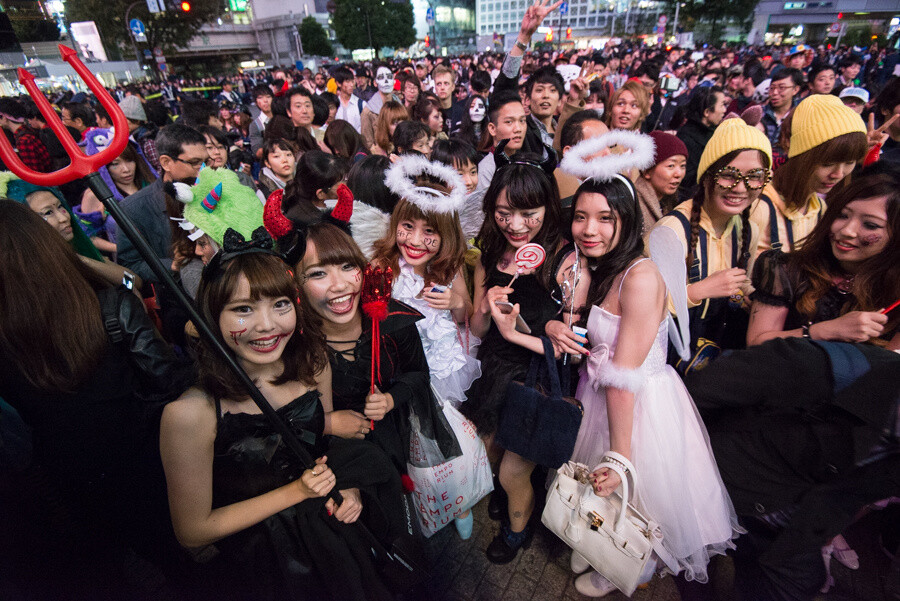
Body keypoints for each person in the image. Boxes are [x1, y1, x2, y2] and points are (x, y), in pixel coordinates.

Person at [159, 247, 405, 601]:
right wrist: (297, 492)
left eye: (280, 304)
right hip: (269, 560)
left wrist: (348, 490)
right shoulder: (190, 415)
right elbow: (194, 531)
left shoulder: (313, 363)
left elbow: (322, 447)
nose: (266, 325)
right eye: (243, 308)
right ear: (212, 318)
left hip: (332, 533)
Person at [557, 167, 740, 598]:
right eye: (580, 216)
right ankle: (593, 535)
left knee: (637, 498)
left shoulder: (639, 278)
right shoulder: (605, 266)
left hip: (637, 405)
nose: (589, 228)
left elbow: (623, 378)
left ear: (627, 219)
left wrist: (621, 458)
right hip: (601, 393)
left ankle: (625, 566)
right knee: (598, 487)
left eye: (605, 218)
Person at [0, 199, 194, 599]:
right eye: (46, 217)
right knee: (183, 565)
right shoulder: (111, 308)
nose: (59, 219)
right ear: (43, 244)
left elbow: (131, 280)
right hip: (147, 467)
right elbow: (168, 382)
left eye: (60, 210)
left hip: (72, 486)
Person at [291, 217, 460, 481]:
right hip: (334, 462)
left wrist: (390, 399)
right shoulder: (294, 342)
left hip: (393, 438)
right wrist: (329, 423)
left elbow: (418, 375)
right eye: (318, 273)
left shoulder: (392, 321)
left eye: (348, 266)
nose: (339, 285)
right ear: (296, 285)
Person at [462, 154, 563, 564]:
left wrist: (533, 328)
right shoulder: (489, 252)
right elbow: (477, 328)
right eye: (505, 213)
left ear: (547, 210)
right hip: (493, 367)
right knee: (490, 452)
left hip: (535, 374)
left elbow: (573, 334)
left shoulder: (561, 258)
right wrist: (485, 305)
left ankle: (517, 531)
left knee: (513, 470)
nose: (516, 225)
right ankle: (507, 501)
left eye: (528, 213)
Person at [372, 157, 480, 538]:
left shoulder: (449, 268)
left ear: (446, 234)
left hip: (442, 371)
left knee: (447, 442)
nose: (416, 240)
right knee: (412, 444)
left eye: (429, 231)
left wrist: (454, 302)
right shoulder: (383, 266)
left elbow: (466, 311)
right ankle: (422, 501)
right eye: (407, 227)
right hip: (400, 374)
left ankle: (459, 501)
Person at [651, 117, 770, 359]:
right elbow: (644, 307)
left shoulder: (749, 230)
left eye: (754, 176)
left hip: (717, 353)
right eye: (728, 175)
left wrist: (747, 296)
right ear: (706, 176)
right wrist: (698, 291)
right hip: (669, 359)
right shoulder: (671, 231)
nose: (740, 188)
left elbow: (737, 286)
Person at [747, 165, 899, 349]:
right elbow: (756, 344)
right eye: (842, 215)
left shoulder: (894, 289)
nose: (847, 231)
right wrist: (826, 331)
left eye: (870, 225)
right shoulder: (785, 269)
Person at [752, 94, 867, 255]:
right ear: (801, 157)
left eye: (850, 163)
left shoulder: (819, 208)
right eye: (827, 164)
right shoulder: (759, 206)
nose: (838, 174)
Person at [116, 123, 207, 287]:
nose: (204, 170)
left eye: (206, 162)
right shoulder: (134, 209)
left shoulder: (214, 191)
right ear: (166, 162)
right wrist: (173, 265)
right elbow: (129, 267)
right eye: (195, 163)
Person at [677, 86, 729, 201]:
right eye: (721, 105)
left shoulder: (716, 133)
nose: (724, 110)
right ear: (707, 112)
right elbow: (685, 180)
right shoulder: (686, 138)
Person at [634, 131, 688, 232]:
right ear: (647, 171)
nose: (678, 173)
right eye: (671, 166)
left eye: (683, 166)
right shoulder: (634, 207)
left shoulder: (668, 203)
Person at [475, 92, 528, 192]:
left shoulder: (526, 162)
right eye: (509, 122)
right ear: (492, 129)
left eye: (522, 121)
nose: (518, 129)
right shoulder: (486, 170)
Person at [282, 150, 348, 211]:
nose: (345, 183)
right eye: (342, 180)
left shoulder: (298, 206)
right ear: (320, 194)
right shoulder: (320, 221)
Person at [361, 65, 403, 152]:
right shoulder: (368, 111)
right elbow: (368, 143)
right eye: (381, 77)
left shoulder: (400, 105)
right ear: (375, 83)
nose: (386, 81)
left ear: (393, 80)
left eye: (389, 77)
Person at [256, 138, 298, 202]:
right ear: (267, 163)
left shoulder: (305, 181)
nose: (285, 160)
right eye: (276, 156)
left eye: (288, 155)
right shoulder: (263, 194)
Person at [333, 66, 363, 133]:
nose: (351, 85)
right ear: (338, 83)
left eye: (352, 81)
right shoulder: (334, 104)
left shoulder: (360, 104)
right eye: (347, 81)